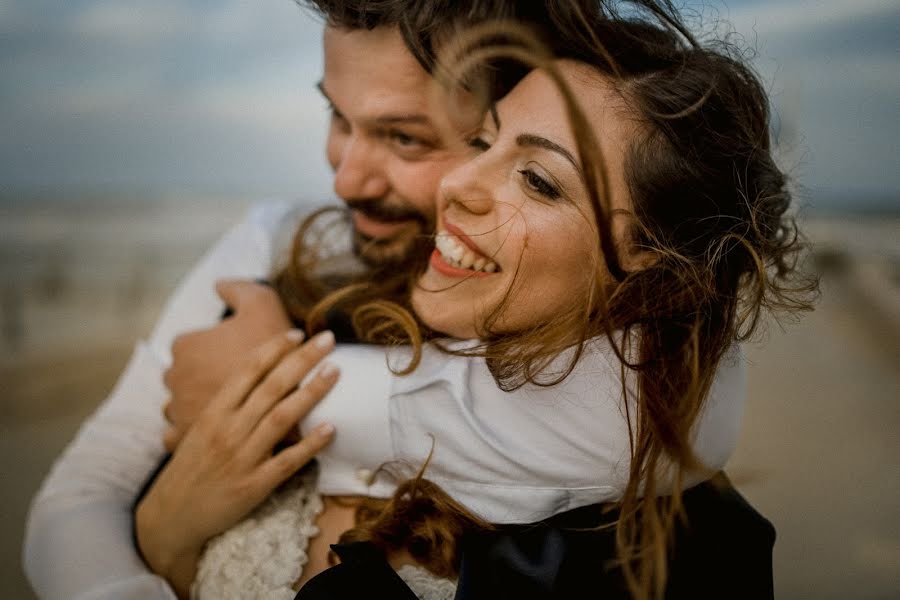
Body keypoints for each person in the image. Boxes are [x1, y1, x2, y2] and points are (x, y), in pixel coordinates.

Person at [136, 4, 810, 600]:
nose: (458, 184)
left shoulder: (662, 542)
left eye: (540, 182)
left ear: (651, 260)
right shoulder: (321, 315)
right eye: (485, 142)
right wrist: (166, 532)